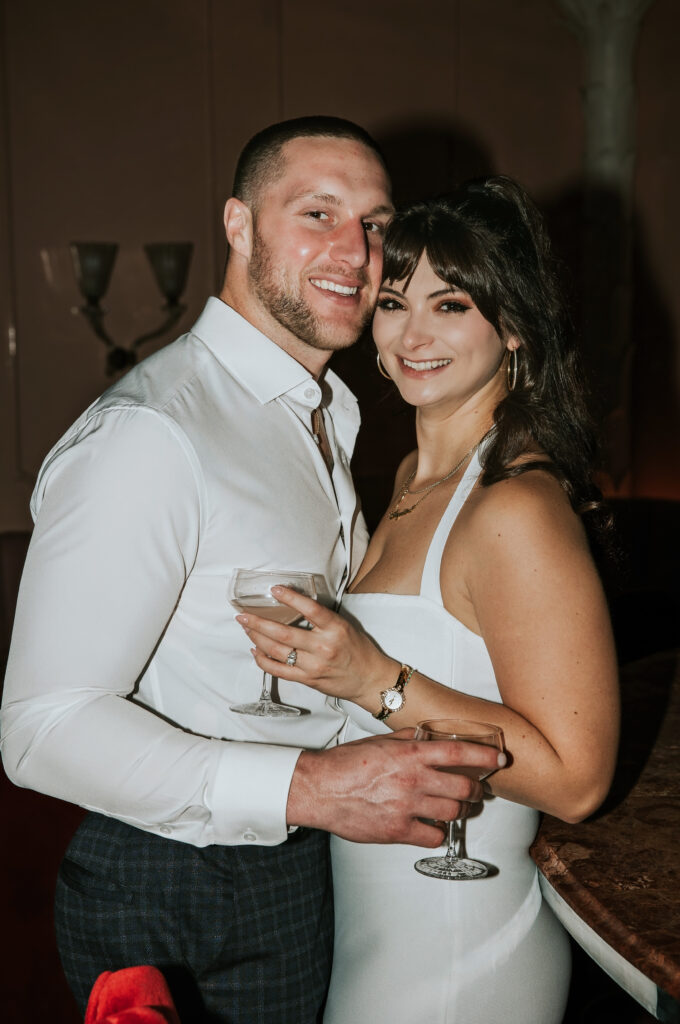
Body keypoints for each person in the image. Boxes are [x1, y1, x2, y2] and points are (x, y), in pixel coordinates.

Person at [0, 118, 504, 1024]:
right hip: (159, 886)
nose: (355, 251)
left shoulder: (323, 414)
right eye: (317, 213)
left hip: (293, 870)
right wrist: (312, 787)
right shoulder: (152, 432)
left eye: (376, 224)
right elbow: (40, 730)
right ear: (238, 227)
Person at [238, 177, 621, 1024]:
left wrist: (373, 676)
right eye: (392, 303)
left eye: (450, 306)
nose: (412, 335)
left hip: (459, 942)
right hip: (377, 919)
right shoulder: (413, 479)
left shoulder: (512, 508)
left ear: (512, 326)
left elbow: (576, 778)